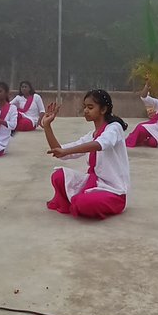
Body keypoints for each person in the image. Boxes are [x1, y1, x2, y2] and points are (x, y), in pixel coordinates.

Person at [43, 89, 130, 220]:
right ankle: (77, 200)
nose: (85, 110)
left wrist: (66, 151)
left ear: (103, 109)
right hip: (94, 181)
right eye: (84, 107)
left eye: (90, 107)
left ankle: (79, 200)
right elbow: (60, 151)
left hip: (113, 191)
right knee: (58, 176)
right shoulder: (91, 135)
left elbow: (101, 144)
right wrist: (47, 125)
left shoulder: (114, 127)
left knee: (83, 203)